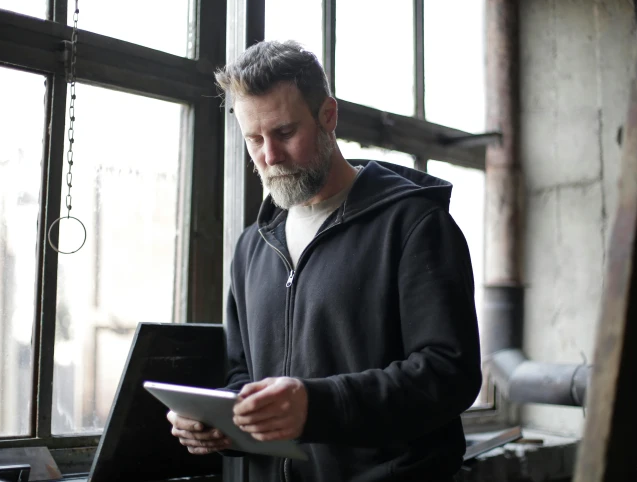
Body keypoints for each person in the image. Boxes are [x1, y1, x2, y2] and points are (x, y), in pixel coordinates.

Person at [167, 40, 482, 482]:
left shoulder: (415, 225)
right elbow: (245, 374)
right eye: (254, 140)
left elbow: (450, 375)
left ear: (328, 116)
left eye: (284, 133)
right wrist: (221, 419)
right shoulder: (251, 247)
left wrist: (316, 406)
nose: (269, 157)